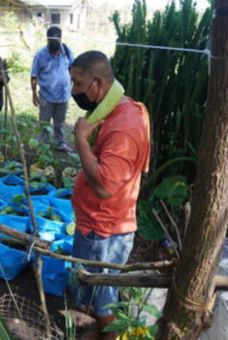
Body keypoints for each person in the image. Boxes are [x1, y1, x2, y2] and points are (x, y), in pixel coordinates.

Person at [70, 51, 150, 340]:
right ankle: (95, 332)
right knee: (97, 293)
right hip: (97, 226)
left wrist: (80, 141)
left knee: (101, 301)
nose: (73, 91)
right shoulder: (114, 108)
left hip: (101, 233)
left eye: (78, 84)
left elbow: (104, 187)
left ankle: (105, 337)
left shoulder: (124, 126)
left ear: (98, 82)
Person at [31, 26, 74, 152]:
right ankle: (42, 147)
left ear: (60, 39)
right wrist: (34, 94)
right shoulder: (41, 54)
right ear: (47, 40)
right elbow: (34, 75)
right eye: (51, 42)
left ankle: (60, 144)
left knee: (59, 123)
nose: (54, 44)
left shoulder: (66, 50)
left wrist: (72, 84)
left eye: (57, 41)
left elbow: (73, 67)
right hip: (47, 95)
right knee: (44, 123)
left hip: (63, 95)